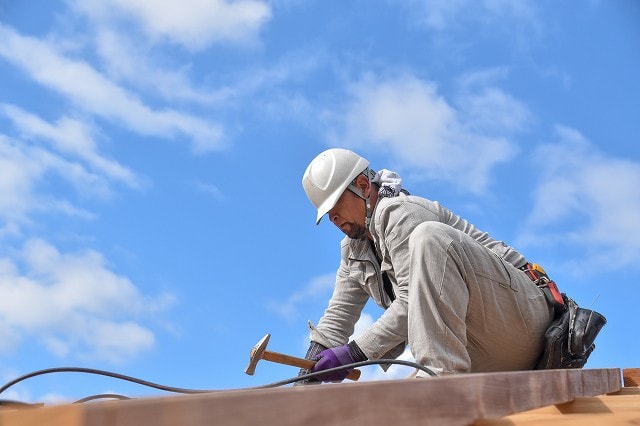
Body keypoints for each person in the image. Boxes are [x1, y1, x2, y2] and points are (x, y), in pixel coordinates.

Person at [297, 148, 561, 383]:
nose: (332, 217)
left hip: (526, 324)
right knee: (392, 406)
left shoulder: (401, 213)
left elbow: (411, 299)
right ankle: (438, 381)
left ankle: (440, 381)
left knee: (429, 237)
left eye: (334, 205)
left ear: (364, 186)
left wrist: (354, 352)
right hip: (483, 350)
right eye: (326, 212)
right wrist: (308, 371)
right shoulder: (354, 249)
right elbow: (338, 315)